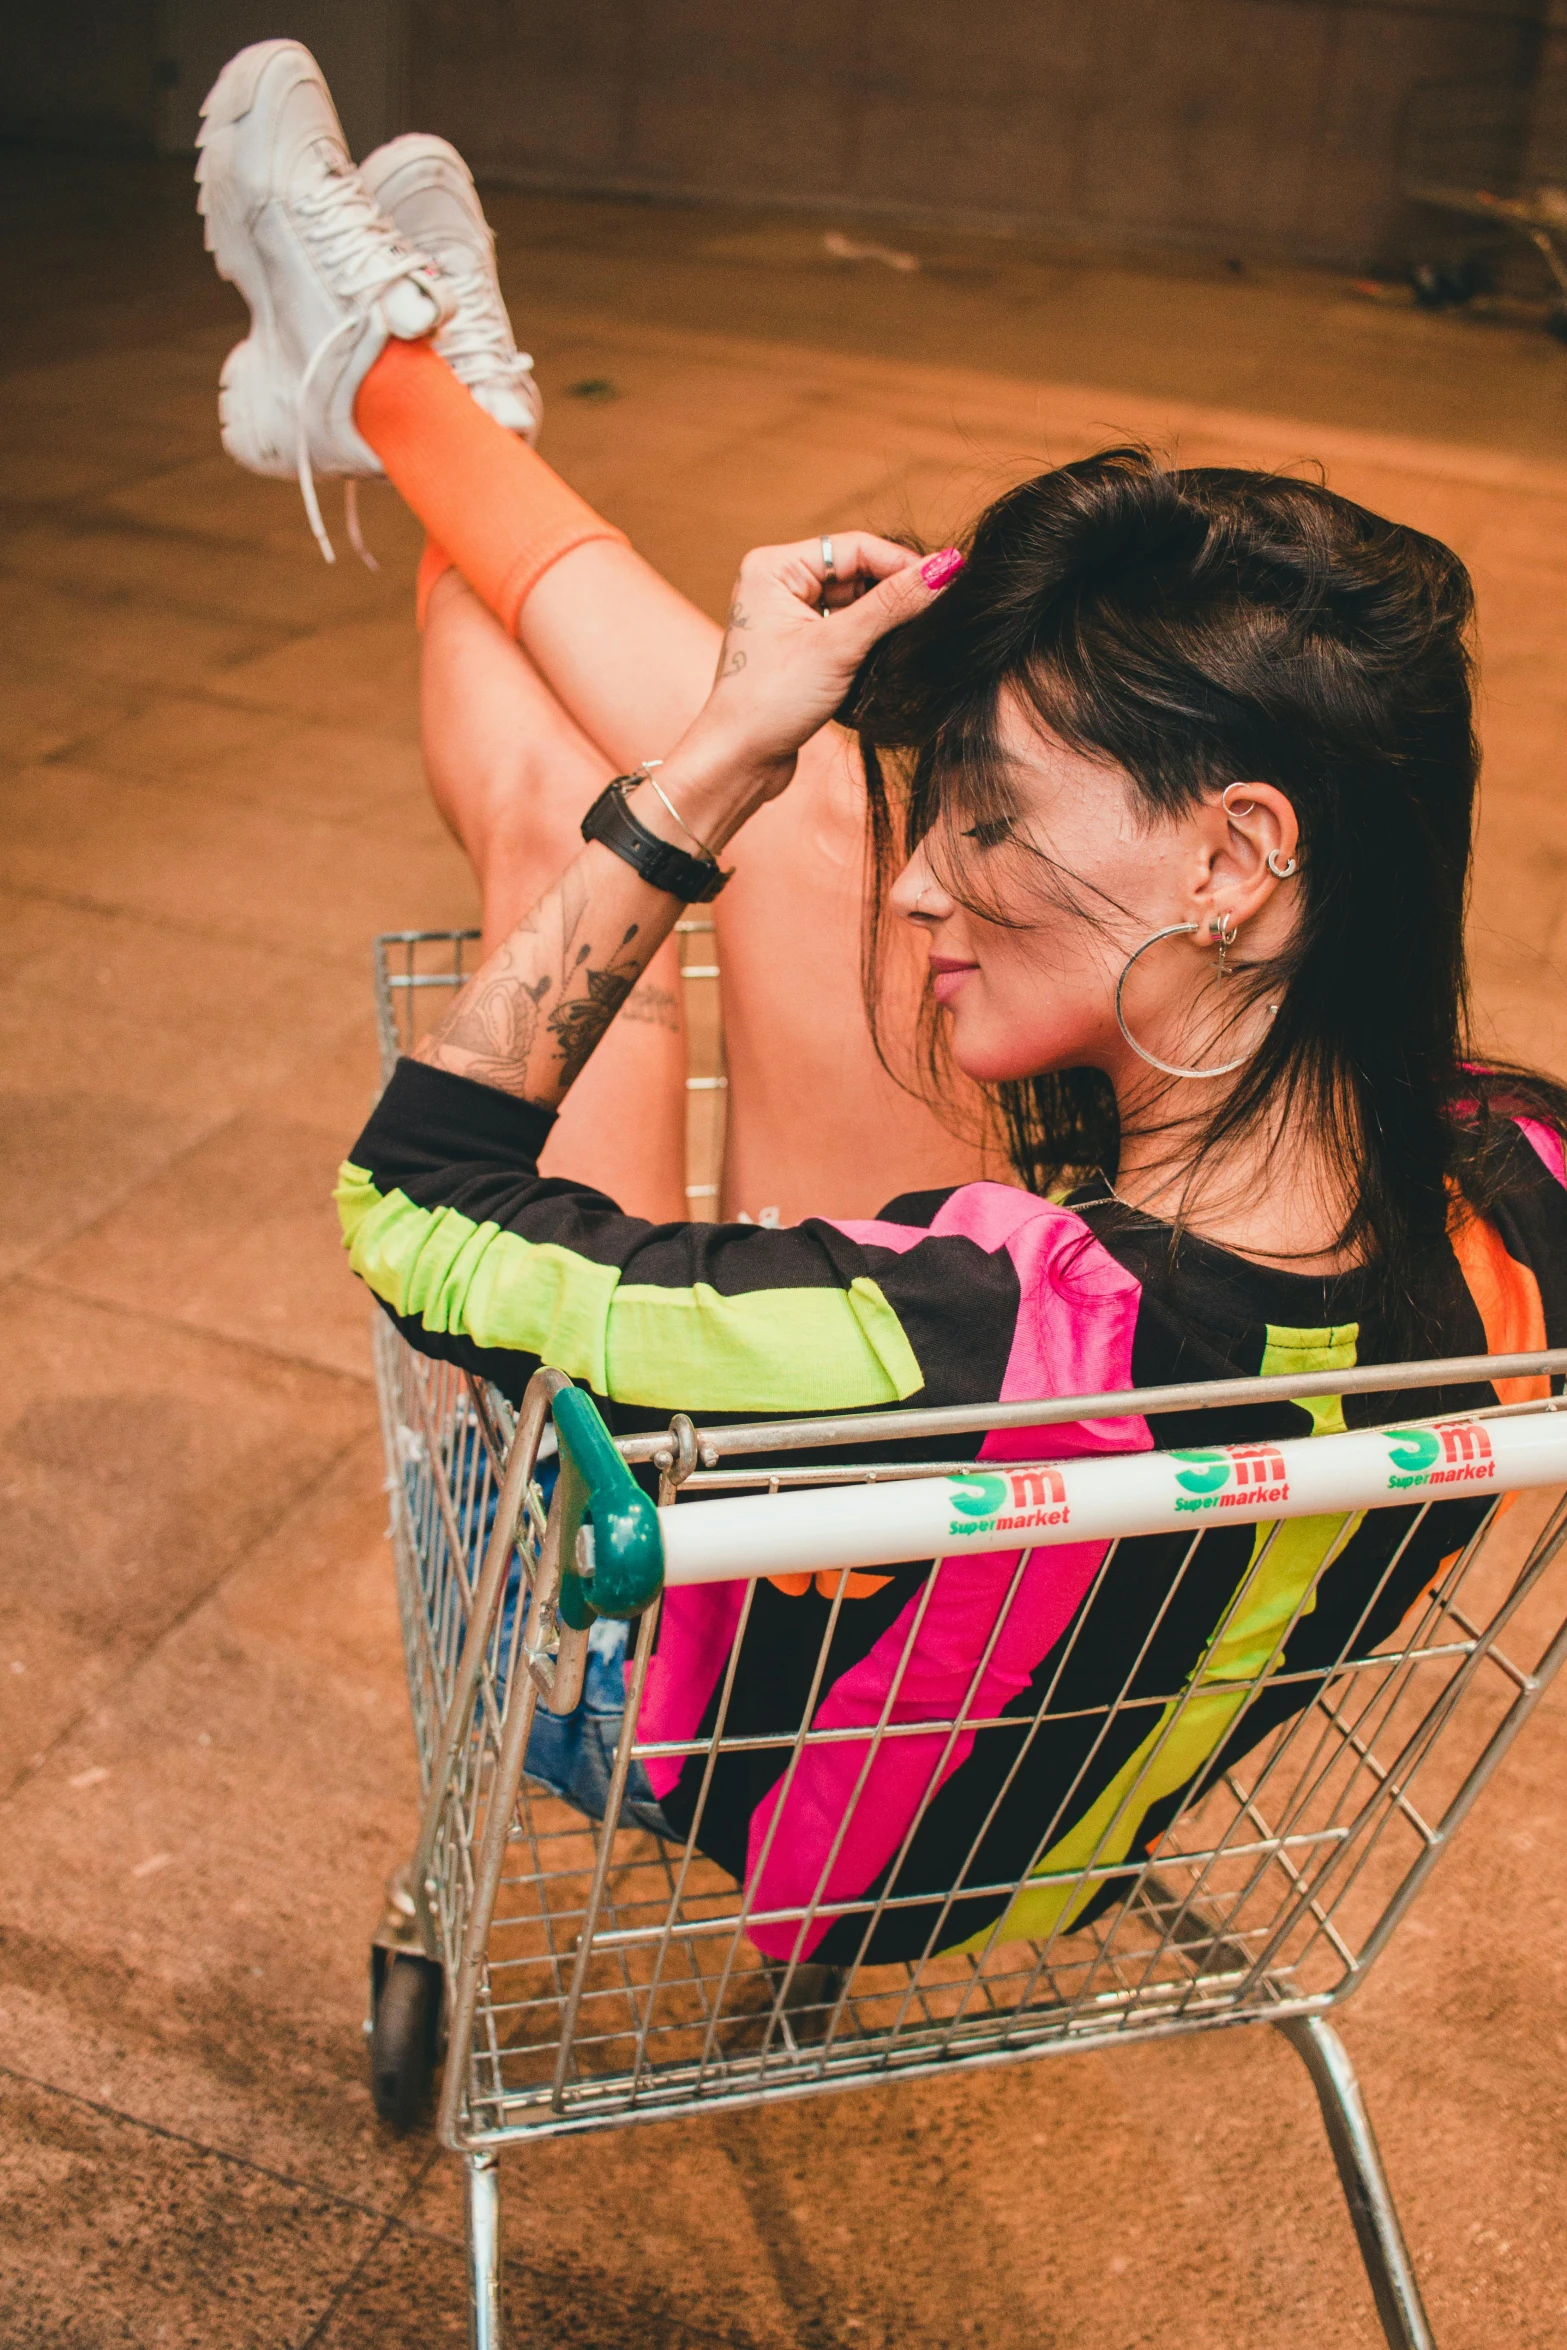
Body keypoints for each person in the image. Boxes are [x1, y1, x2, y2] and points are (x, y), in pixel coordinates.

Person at [200, 42, 1567, 1969]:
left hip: (741, 1745)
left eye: (995, 822)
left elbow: (415, 1205)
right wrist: (791, 760)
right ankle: (420, 392)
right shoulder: (1523, 1162)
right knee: (827, 811)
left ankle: (422, 394)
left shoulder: (978, 1318)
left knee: (556, 833)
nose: (941, 877)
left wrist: (693, 790)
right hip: (1032, 1729)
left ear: (1232, 857)